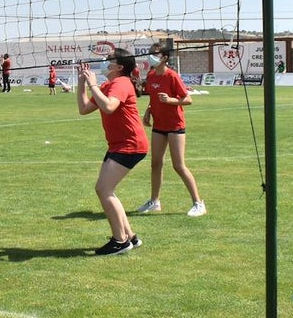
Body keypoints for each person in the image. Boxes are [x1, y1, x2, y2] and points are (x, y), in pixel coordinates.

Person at [76, 50, 149, 255]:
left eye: (109, 59)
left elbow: (109, 106)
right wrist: (82, 83)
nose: (104, 62)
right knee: (106, 189)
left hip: (130, 144)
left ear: (119, 67)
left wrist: (92, 84)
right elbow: (83, 109)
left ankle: (120, 241)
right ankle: (130, 237)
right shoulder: (108, 85)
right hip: (118, 144)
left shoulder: (122, 83)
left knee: (103, 189)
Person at [135, 44, 206, 218]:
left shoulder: (172, 76)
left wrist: (170, 101)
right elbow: (154, 98)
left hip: (175, 126)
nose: (151, 57)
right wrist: (148, 111)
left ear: (165, 57)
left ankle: (198, 203)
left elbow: (187, 99)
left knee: (178, 165)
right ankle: (154, 201)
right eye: (150, 54)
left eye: (155, 54)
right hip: (159, 125)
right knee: (155, 164)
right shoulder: (151, 75)